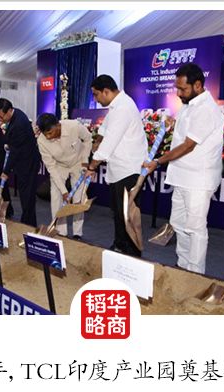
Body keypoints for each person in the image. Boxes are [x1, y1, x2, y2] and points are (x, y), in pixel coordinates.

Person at [142, 63, 224, 274]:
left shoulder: (207, 109)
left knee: (195, 229)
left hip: (198, 180)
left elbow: (188, 145)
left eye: (182, 89)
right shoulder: (189, 104)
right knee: (178, 224)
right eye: (177, 88)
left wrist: (158, 161)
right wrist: (173, 123)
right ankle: (183, 266)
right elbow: (184, 132)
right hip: (180, 176)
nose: (178, 93)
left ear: (198, 85)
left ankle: (195, 274)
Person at [84, 75, 147, 257]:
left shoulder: (123, 108)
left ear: (106, 91)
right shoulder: (115, 107)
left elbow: (109, 143)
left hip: (128, 170)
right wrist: (95, 145)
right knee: (118, 212)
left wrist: (92, 166)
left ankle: (133, 254)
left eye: (96, 95)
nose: (95, 99)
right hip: (118, 170)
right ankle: (120, 246)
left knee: (128, 215)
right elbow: (104, 133)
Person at [36, 113, 92, 239]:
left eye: (50, 133)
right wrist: (64, 191)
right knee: (56, 195)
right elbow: (51, 167)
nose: (48, 137)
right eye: (45, 134)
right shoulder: (41, 141)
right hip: (59, 166)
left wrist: (85, 160)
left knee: (78, 198)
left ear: (58, 125)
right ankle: (60, 231)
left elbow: (88, 139)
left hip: (78, 163)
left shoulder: (74, 126)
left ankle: (77, 233)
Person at [0, 98, 41, 227]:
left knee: (27, 198)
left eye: (1, 117)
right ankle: (27, 223)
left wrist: (5, 172)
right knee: (25, 196)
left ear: (9, 111)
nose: (1, 120)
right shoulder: (16, 114)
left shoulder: (19, 124)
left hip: (27, 164)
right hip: (23, 162)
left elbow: (15, 151)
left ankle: (28, 225)